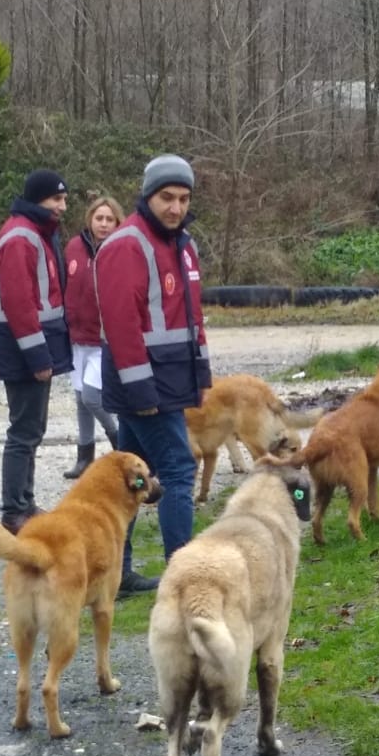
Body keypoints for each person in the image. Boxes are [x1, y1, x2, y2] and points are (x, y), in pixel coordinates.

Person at [94, 154, 211, 595]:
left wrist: (200, 374)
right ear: (147, 195)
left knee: (129, 477)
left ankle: (116, 575)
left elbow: (192, 319)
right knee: (179, 469)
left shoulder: (184, 245)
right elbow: (123, 326)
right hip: (145, 386)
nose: (176, 208)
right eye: (167, 198)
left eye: (183, 199)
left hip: (169, 381)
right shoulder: (126, 245)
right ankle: (182, 576)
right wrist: (141, 390)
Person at [0, 168, 72, 534]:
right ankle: (14, 511)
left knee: (32, 429)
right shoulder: (22, 237)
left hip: (28, 351)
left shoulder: (34, 232)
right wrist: (39, 358)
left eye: (64, 199)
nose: (63, 207)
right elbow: (21, 305)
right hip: (24, 354)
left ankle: (25, 503)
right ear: (39, 200)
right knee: (24, 432)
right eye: (57, 199)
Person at [61, 195, 123, 479]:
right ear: (90, 219)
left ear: (117, 222)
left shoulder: (122, 249)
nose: (104, 224)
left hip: (104, 338)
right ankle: (84, 455)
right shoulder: (74, 247)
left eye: (110, 219)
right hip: (77, 335)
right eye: (99, 218)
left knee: (92, 396)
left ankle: (120, 442)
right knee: (79, 398)